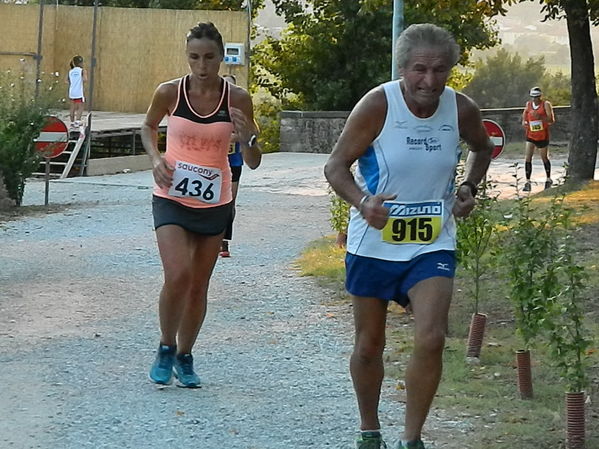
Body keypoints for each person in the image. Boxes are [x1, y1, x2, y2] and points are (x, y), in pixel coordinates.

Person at [324, 23, 493, 449]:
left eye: (440, 71)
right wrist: (363, 202)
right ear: (403, 68)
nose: (429, 81)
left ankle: (412, 439)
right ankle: (370, 430)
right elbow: (335, 167)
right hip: (375, 243)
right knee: (369, 346)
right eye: (420, 69)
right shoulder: (379, 105)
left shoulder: (460, 108)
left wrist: (469, 189)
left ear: (451, 71)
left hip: (431, 241)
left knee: (432, 338)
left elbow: (483, 146)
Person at [141, 22, 261, 388]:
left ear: (221, 57)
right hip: (172, 196)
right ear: (187, 57)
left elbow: (254, 160)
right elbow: (147, 127)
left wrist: (246, 139)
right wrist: (156, 158)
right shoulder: (170, 93)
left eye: (209, 57)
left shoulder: (237, 99)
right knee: (177, 274)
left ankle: (185, 355)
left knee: (198, 285)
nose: (202, 65)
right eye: (194, 57)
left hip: (214, 201)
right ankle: (165, 345)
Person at [220, 73, 243, 258]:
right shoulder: (213, 108)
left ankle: (224, 241)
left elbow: (248, 133)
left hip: (234, 161)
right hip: (215, 161)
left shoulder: (240, 110)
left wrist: (231, 137)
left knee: (230, 201)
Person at [521, 86, 555, 191]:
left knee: (544, 157)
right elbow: (524, 116)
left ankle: (548, 178)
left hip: (542, 135)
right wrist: (524, 122)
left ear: (540, 96)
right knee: (527, 157)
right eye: (533, 97)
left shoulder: (546, 104)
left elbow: (551, 120)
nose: (535, 99)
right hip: (531, 134)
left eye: (537, 97)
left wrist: (541, 118)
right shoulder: (528, 105)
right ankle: (527, 181)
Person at [67, 55, 87, 128]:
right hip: (79, 91)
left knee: (72, 107)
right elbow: (85, 80)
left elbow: (67, 81)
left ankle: (72, 122)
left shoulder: (70, 71)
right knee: (80, 106)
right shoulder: (82, 70)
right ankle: (77, 121)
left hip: (72, 91)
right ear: (81, 63)